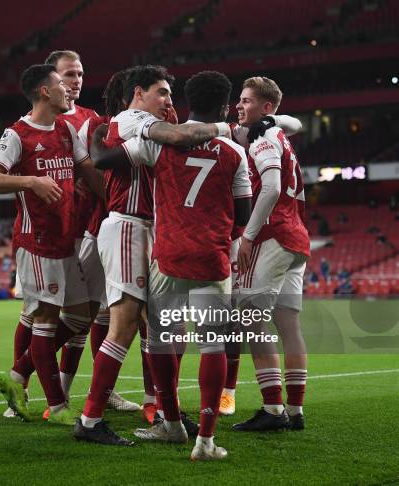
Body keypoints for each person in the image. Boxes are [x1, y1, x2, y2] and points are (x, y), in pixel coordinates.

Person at [82, 71, 251, 461]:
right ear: (225, 108)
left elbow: (108, 158)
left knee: (159, 336)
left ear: (188, 103)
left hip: (166, 250)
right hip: (196, 250)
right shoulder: (231, 152)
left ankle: (169, 419)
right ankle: (202, 439)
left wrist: (96, 136)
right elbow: (242, 212)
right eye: (162, 93)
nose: (166, 100)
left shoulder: (157, 143)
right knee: (205, 342)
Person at [0, 64, 100, 425]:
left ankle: (16, 376)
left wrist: (116, 201)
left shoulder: (65, 129)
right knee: (45, 318)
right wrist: (31, 181)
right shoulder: (17, 134)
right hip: (36, 242)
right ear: (45, 91)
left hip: (65, 240)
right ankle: (59, 406)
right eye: (62, 83)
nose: (69, 89)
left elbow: (88, 170)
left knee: (81, 315)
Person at [233, 77, 310, 432]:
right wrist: (271, 119)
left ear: (265, 107)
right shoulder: (278, 133)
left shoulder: (263, 137)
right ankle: (294, 411)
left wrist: (248, 236)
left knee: (252, 319)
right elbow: (294, 122)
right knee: (289, 327)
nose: (239, 105)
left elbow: (273, 187)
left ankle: (272, 408)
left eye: (247, 101)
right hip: (297, 238)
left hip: (272, 236)